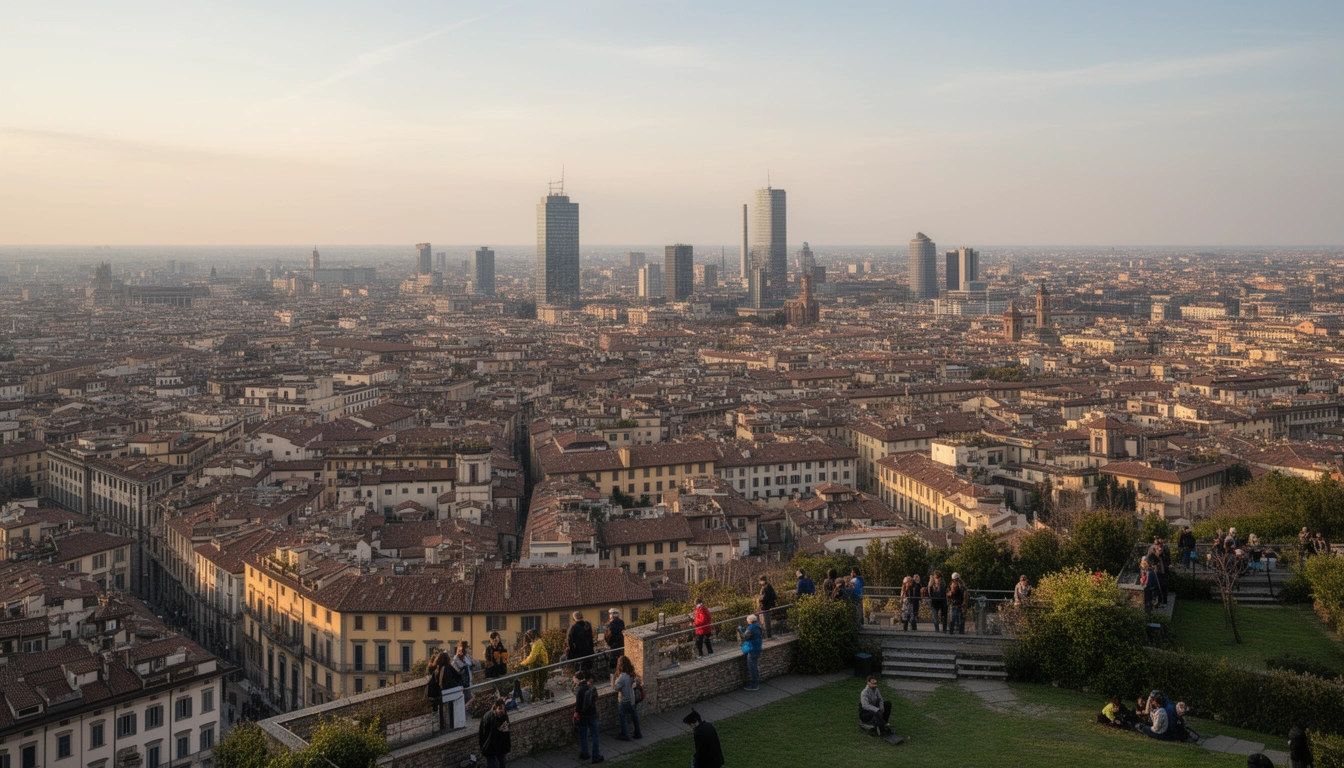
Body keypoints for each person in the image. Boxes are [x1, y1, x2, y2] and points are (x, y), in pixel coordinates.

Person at [573, 670, 603, 763]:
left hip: (582, 715)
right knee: (595, 734)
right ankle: (596, 756)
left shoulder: (579, 689)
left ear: (577, 679)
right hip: (591, 713)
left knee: (583, 734)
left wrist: (576, 713)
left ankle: (585, 753)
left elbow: (578, 705)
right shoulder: (588, 686)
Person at [612, 655, 643, 741]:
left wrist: (615, 679)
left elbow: (616, 688)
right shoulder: (631, 674)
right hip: (632, 698)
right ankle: (638, 732)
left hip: (624, 700)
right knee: (634, 716)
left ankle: (625, 734)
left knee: (623, 717)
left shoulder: (623, 676)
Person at [478, 698, 512, 768]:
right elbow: (483, 733)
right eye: (500, 709)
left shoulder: (504, 715)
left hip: (502, 747)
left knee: (502, 764)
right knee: (494, 765)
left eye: (503, 708)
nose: (502, 711)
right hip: (491, 748)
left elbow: (507, 729)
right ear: (495, 708)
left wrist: (506, 728)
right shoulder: (488, 717)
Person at [519, 629, 550, 701]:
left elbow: (532, 657)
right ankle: (540, 696)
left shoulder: (537, 644)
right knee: (540, 683)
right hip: (543, 664)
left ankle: (540, 697)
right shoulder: (538, 642)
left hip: (541, 666)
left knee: (539, 683)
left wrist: (522, 664)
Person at [738, 613, 763, 691]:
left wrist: (740, 630)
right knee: (754, 666)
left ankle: (754, 685)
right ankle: (756, 682)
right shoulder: (758, 627)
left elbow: (745, 637)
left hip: (752, 649)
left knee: (752, 667)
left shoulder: (751, 628)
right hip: (757, 648)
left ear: (750, 621)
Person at [757, 574, 778, 639]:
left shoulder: (766, 587)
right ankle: (768, 635)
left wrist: (761, 599)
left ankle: (768, 635)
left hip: (766, 606)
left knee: (766, 621)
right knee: (766, 621)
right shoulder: (767, 587)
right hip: (766, 606)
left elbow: (768, 597)